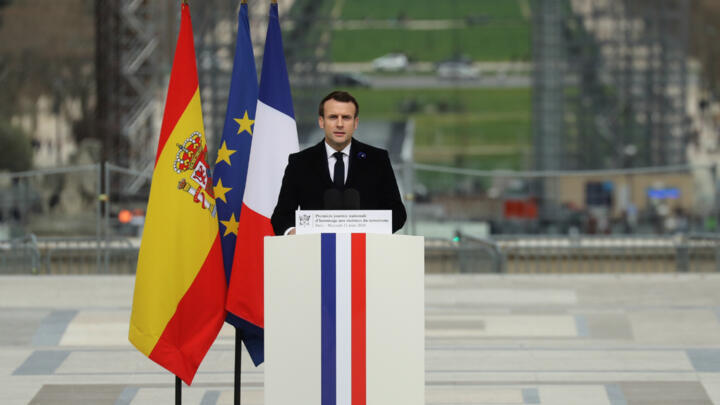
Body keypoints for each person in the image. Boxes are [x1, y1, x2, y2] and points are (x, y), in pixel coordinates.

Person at [271, 90, 407, 235]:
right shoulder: (300, 162)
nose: (340, 124)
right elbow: (281, 216)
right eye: (333, 117)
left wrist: (374, 231)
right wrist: (293, 232)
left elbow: (397, 213)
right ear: (321, 121)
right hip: (314, 247)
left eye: (346, 118)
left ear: (355, 123)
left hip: (366, 247)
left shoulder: (378, 159)